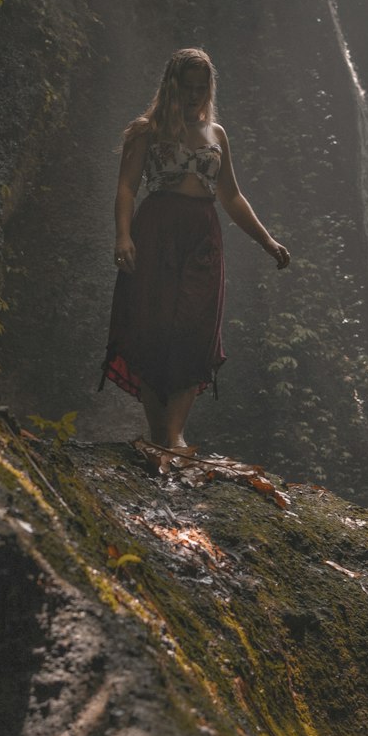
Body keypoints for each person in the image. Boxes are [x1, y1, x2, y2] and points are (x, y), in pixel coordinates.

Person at [100, 47, 290, 452]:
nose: (193, 96)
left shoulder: (216, 134)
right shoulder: (145, 131)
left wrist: (267, 241)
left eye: (200, 89)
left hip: (203, 238)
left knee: (194, 330)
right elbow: (127, 188)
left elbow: (232, 196)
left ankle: (176, 433)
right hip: (156, 232)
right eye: (186, 88)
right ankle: (160, 435)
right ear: (171, 86)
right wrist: (122, 236)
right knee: (152, 326)